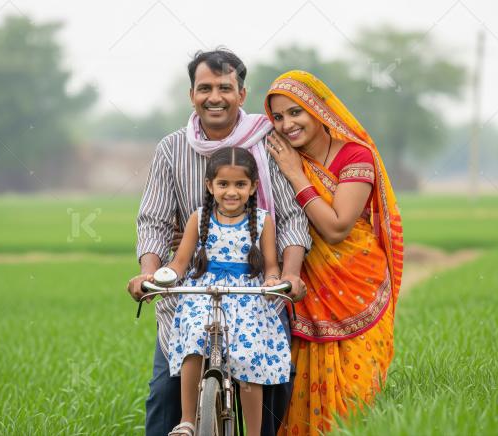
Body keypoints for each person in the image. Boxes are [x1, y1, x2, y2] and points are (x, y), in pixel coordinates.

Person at [126, 49, 311, 436]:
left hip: (258, 291)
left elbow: (292, 218)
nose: (215, 96)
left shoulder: (268, 143)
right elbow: (154, 220)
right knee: (164, 397)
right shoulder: (170, 149)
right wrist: (149, 274)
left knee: (276, 382)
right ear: (191, 94)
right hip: (192, 295)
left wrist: (288, 275)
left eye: (225, 87)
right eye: (205, 87)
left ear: (241, 94)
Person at [263, 70, 404, 434]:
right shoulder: (276, 156)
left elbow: (338, 227)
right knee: (298, 408)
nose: (287, 124)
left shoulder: (356, 155)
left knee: (355, 410)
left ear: (317, 109)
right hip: (306, 297)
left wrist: (297, 175)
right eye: (278, 117)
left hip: (358, 290)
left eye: (295, 112)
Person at [160, 147, 291, 436]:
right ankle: (187, 421)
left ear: (253, 186)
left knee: (247, 357)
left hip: (246, 297)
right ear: (210, 186)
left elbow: (270, 265)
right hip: (204, 294)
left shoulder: (263, 220)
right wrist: (164, 277)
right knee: (195, 336)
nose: (231, 192)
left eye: (240, 184)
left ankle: (254, 433)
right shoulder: (198, 219)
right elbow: (180, 262)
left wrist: (272, 281)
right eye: (223, 184)